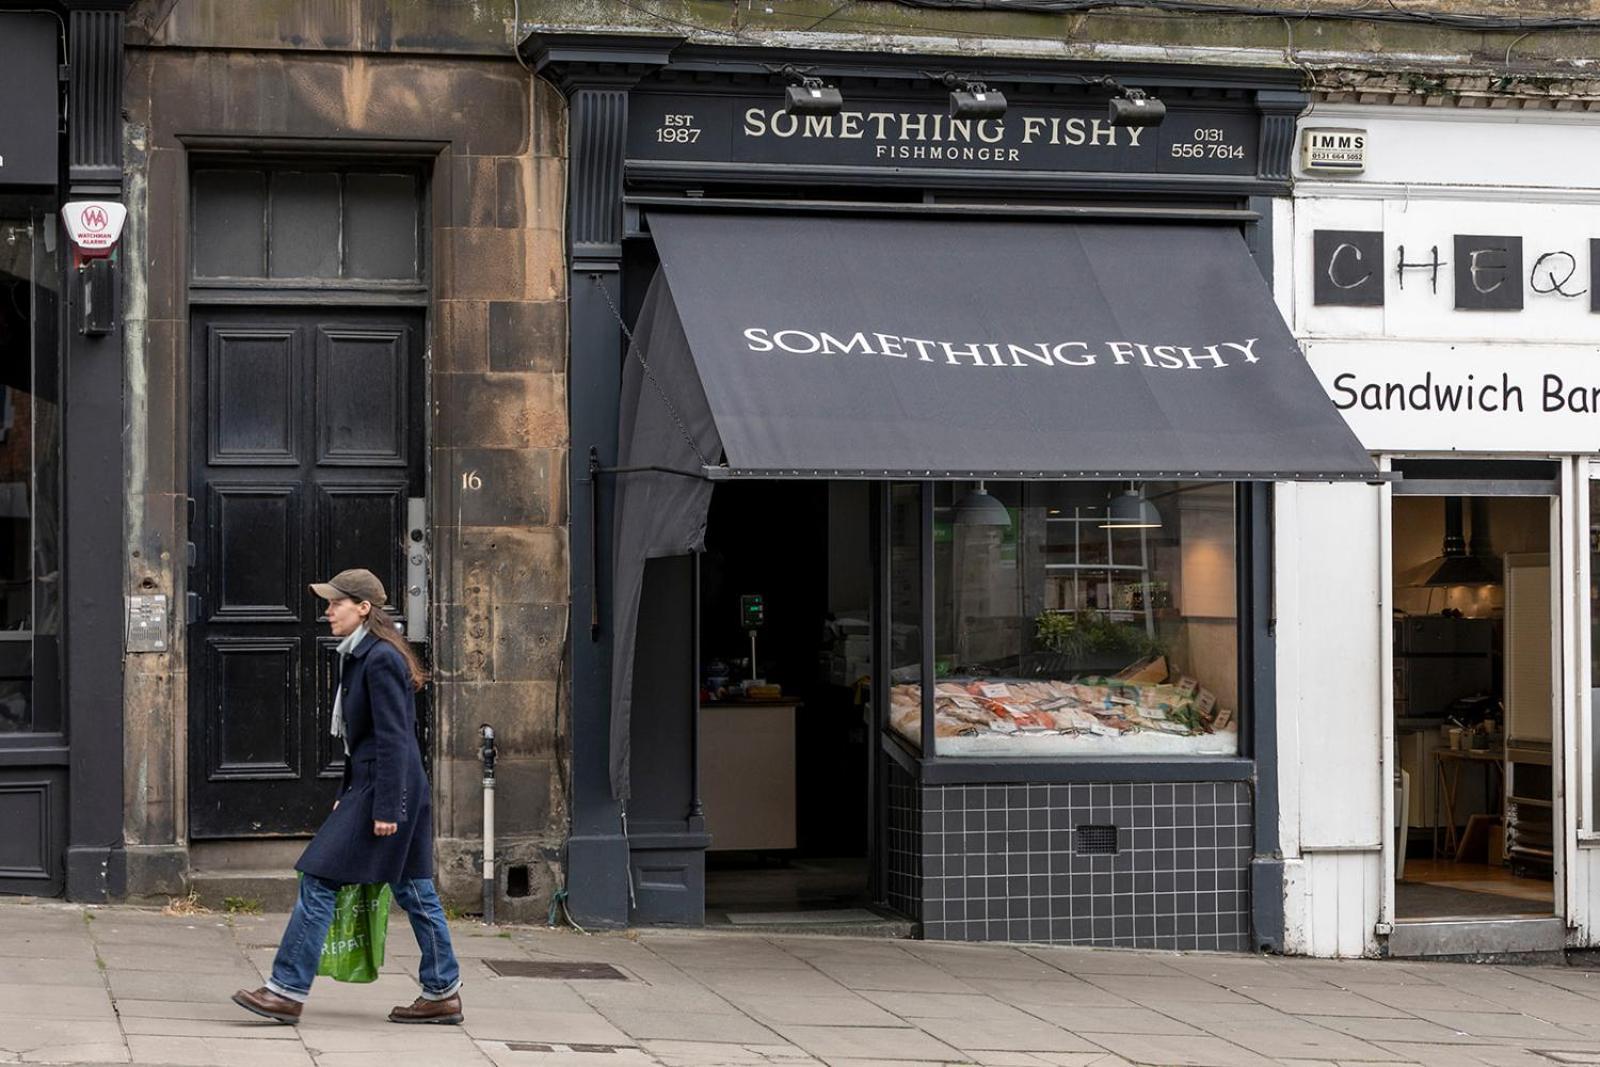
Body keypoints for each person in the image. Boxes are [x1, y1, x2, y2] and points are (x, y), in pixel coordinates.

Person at [232, 569, 463, 1026]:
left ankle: (285, 990)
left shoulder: (379, 659)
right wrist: (345, 793)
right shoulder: (359, 654)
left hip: (388, 789)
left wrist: (385, 810)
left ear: (363, 608)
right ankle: (442, 990)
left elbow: (396, 739)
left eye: (336, 603)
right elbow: (361, 741)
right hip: (379, 785)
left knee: (318, 878)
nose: (327, 611)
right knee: (414, 889)